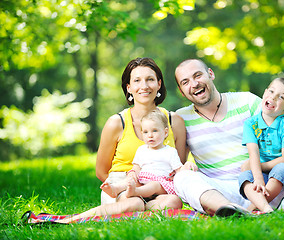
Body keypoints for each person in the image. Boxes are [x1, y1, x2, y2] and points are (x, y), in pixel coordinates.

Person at [173, 58, 284, 216]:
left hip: (268, 184)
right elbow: (176, 163)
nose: (194, 84)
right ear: (181, 91)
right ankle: (231, 209)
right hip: (222, 191)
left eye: (198, 75)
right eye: (185, 82)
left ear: (210, 74)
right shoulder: (181, 118)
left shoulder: (246, 102)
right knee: (182, 179)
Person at [26, 57, 187, 224]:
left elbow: (177, 165)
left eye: (150, 79)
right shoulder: (116, 123)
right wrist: (125, 186)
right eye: (137, 80)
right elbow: (101, 171)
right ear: (129, 87)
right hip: (123, 184)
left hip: (160, 187)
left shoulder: (174, 121)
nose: (144, 86)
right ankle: (72, 220)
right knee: (134, 203)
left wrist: (152, 189)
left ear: (159, 84)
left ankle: (138, 211)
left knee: (174, 203)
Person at [238, 77, 284, 213]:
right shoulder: (250, 124)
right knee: (244, 177)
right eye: (271, 92)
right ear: (264, 93)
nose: (273, 97)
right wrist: (258, 177)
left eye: (281, 97)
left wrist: (259, 168)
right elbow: (253, 154)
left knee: (280, 169)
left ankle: (251, 209)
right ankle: (266, 208)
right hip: (264, 171)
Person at [102, 109, 183, 199]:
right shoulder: (142, 150)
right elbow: (136, 167)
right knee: (131, 181)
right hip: (144, 180)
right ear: (142, 134)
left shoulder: (170, 151)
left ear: (165, 132)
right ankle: (116, 189)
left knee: (154, 185)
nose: (150, 135)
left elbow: (178, 169)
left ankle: (136, 192)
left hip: (161, 184)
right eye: (145, 132)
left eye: (155, 131)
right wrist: (132, 174)